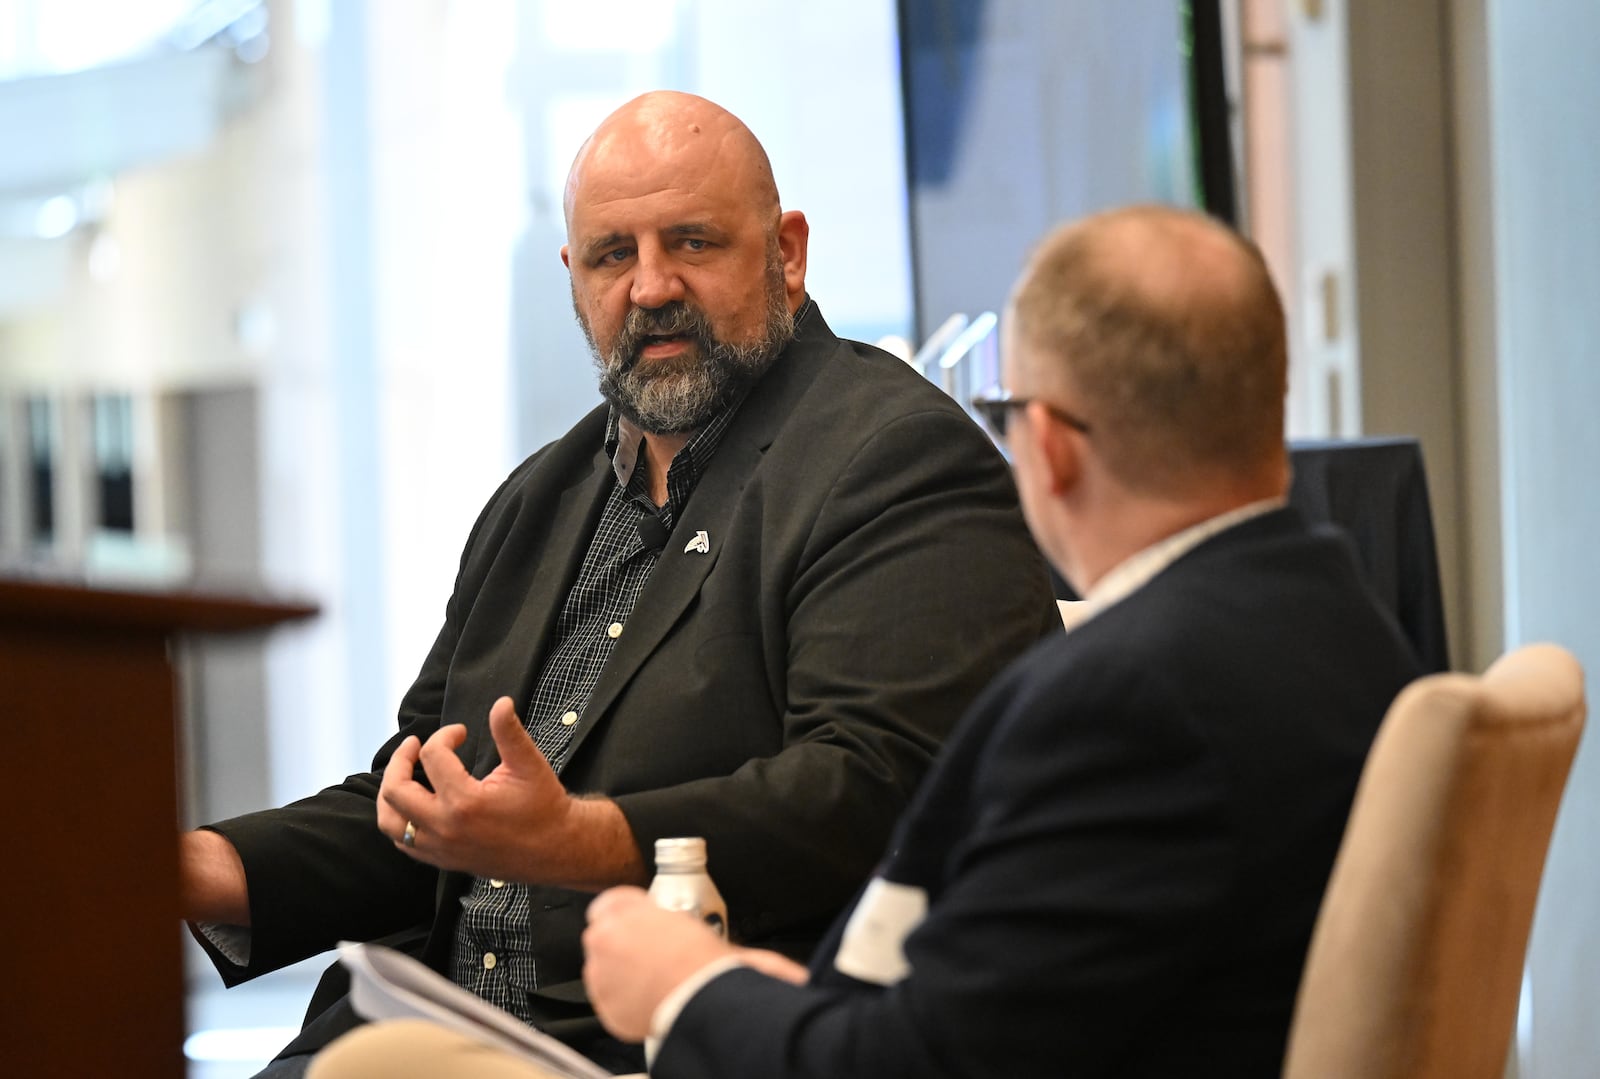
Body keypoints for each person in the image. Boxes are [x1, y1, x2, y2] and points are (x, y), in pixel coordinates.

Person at [305, 205, 1426, 1079]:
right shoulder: (1348, 627)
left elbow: (917, 1065)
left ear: (1052, 450)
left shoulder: (1126, 703)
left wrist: (688, 988)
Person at [179, 90, 1061, 1076]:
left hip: (659, 1043)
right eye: (612, 255)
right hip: (425, 1025)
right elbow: (429, 799)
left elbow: (875, 786)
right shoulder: (541, 496)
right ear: (572, 277)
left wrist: (584, 840)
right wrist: (196, 867)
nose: (649, 287)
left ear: (787, 252)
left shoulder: (890, 456)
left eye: (691, 241)